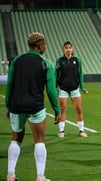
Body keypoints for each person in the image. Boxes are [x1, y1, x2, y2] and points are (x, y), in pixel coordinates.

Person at [5, 32, 60, 181]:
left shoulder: (16, 61)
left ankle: (11, 175)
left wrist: (8, 106)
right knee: (39, 140)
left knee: (16, 138)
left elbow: (9, 85)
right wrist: (56, 110)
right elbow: (51, 91)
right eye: (44, 44)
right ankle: (40, 177)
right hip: (35, 106)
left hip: (16, 105)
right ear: (38, 45)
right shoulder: (46, 63)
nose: (45, 46)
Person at [55, 41, 88, 138]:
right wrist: (55, 88)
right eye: (66, 47)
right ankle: (61, 131)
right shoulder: (59, 60)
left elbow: (80, 74)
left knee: (79, 109)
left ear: (72, 49)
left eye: (70, 47)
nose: (68, 49)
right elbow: (56, 75)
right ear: (63, 49)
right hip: (63, 89)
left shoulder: (77, 60)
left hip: (75, 88)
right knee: (63, 109)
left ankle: (81, 130)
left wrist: (82, 87)